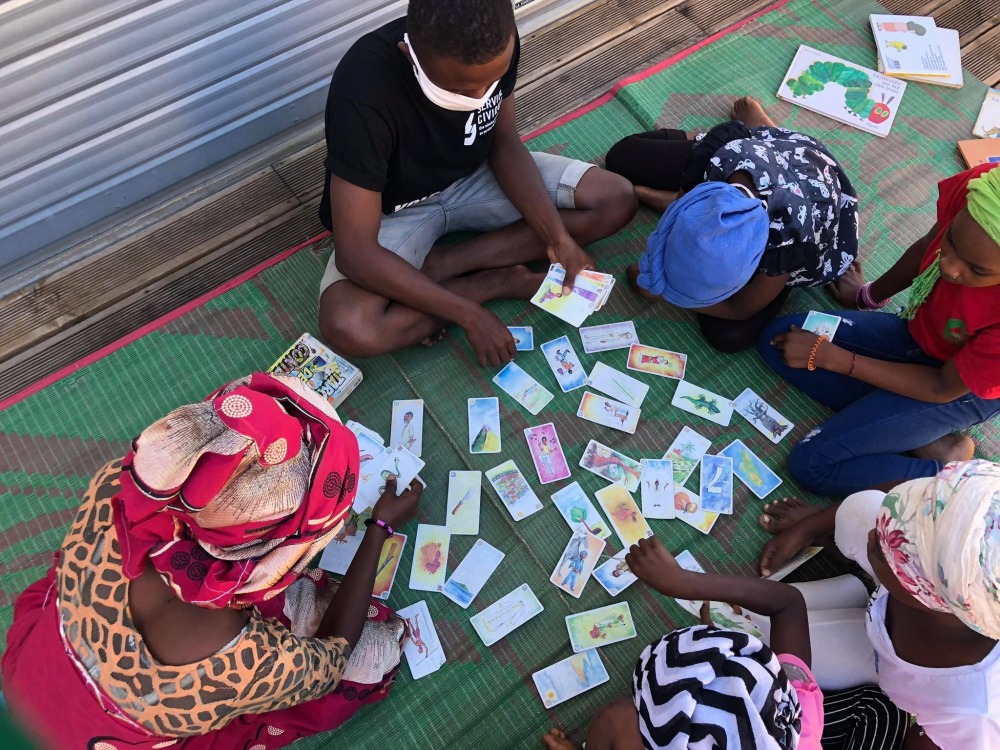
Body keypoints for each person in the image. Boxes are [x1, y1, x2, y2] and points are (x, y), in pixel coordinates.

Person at [1, 373, 422, 749]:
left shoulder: (123, 486)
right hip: (100, 736)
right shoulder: (246, 660)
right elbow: (334, 658)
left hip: (33, 676)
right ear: (278, 552)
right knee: (372, 657)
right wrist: (378, 528)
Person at [318, 0, 636, 367]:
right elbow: (355, 253)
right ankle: (495, 281)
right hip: (394, 210)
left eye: (490, 84)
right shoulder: (362, 92)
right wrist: (469, 313)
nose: (479, 99)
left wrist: (557, 239)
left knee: (615, 199)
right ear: (411, 55)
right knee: (349, 325)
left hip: (474, 177)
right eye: (462, 90)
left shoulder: (495, 42)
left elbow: (504, 145)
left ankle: (441, 265)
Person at [759, 163, 1000, 497]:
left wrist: (836, 359)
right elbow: (926, 247)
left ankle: (945, 471)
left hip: (958, 386)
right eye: (954, 240)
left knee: (813, 464)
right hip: (918, 335)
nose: (948, 265)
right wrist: (867, 295)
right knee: (782, 338)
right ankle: (927, 435)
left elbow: (941, 386)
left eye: (977, 269)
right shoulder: (984, 194)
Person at [542, 537, 907, 750]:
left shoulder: (792, 708)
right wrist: (683, 582)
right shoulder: (796, 710)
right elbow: (788, 604)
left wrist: (685, 582)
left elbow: (614, 717)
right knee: (883, 709)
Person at [758, 460, 1000, 749]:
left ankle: (858, 585)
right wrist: (806, 529)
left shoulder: (972, 710)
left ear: (928, 598)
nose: (874, 535)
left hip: (882, 668)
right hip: (891, 604)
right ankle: (853, 567)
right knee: (859, 511)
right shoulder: (958, 540)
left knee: (757, 644)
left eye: (889, 550)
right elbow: (895, 498)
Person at [605, 96, 858, 353]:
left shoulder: (789, 243)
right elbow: (689, 199)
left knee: (729, 336)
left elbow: (740, 309)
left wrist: (664, 292)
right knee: (621, 157)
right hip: (764, 153)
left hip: (815, 195)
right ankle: (763, 129)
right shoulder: (723, 157)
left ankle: (766, 129)